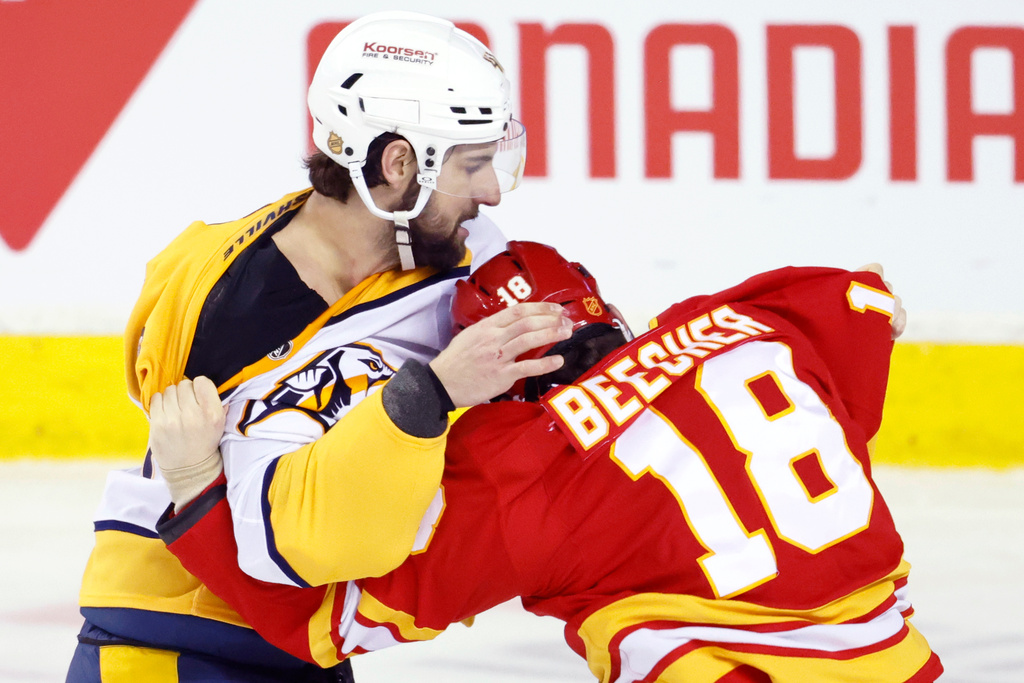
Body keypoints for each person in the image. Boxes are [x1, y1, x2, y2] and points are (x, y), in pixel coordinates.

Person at [148, 242, 941, 682]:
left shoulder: (522, 470)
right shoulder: (747, 324)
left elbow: (319, 622)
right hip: (905, 665)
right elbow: (862, 302)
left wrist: (195, 489)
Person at [67, 12, 573, 683]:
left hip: (312, 644)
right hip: (168, 639)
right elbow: (265, 548)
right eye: (472, 164)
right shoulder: (204, 287)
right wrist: (194, 485)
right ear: (400, 164)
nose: (490, 189)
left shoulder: (465, 253)